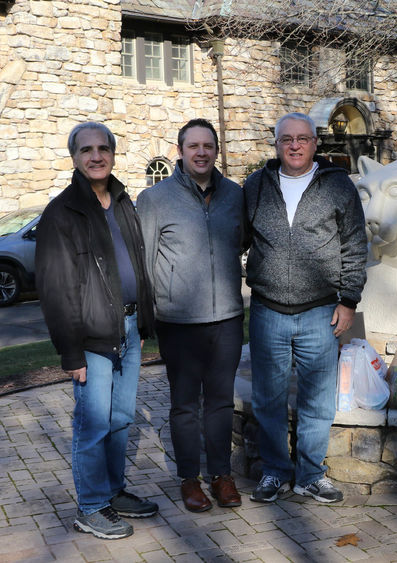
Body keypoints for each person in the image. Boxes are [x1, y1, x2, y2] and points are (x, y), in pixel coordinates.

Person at [35, 122, 158, 540]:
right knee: (93, 423)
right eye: (85, 149)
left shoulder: (124, 201)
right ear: (74, 157)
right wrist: (70, 353)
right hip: (90, 338)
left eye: (103, 148)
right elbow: (55, 289)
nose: (95, 156)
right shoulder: (62, 212)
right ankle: (90, 506)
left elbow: (139, 266)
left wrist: (142, 320)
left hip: (127, 327)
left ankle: (113, 491)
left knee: (121, 419)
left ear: (113, 154)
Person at [243, 112, 368, 503]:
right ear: (276, 144)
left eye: (302, 139)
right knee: (268, 399)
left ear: (316, 143)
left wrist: (348, 301)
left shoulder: (337, 186)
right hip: (268, 310)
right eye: (286, 139)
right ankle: (275, 472)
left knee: (316, 400)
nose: (294, 145)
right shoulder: (255, 186)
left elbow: (355, 246)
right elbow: (239, 238)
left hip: (320, 312)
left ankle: (310, 475)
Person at [137, 119, 244, 513]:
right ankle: (189, 479)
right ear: (180, 150)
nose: (201, 152)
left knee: (219, 402)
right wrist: (145, 319)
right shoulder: (154, 199)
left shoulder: (234, 195)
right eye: (193, 146)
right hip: (178, 322)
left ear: (216, 150)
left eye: (208, 146)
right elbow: (144, 261)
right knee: (184, 404)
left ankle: (221, 475)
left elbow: (241, 240)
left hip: (227, 318)